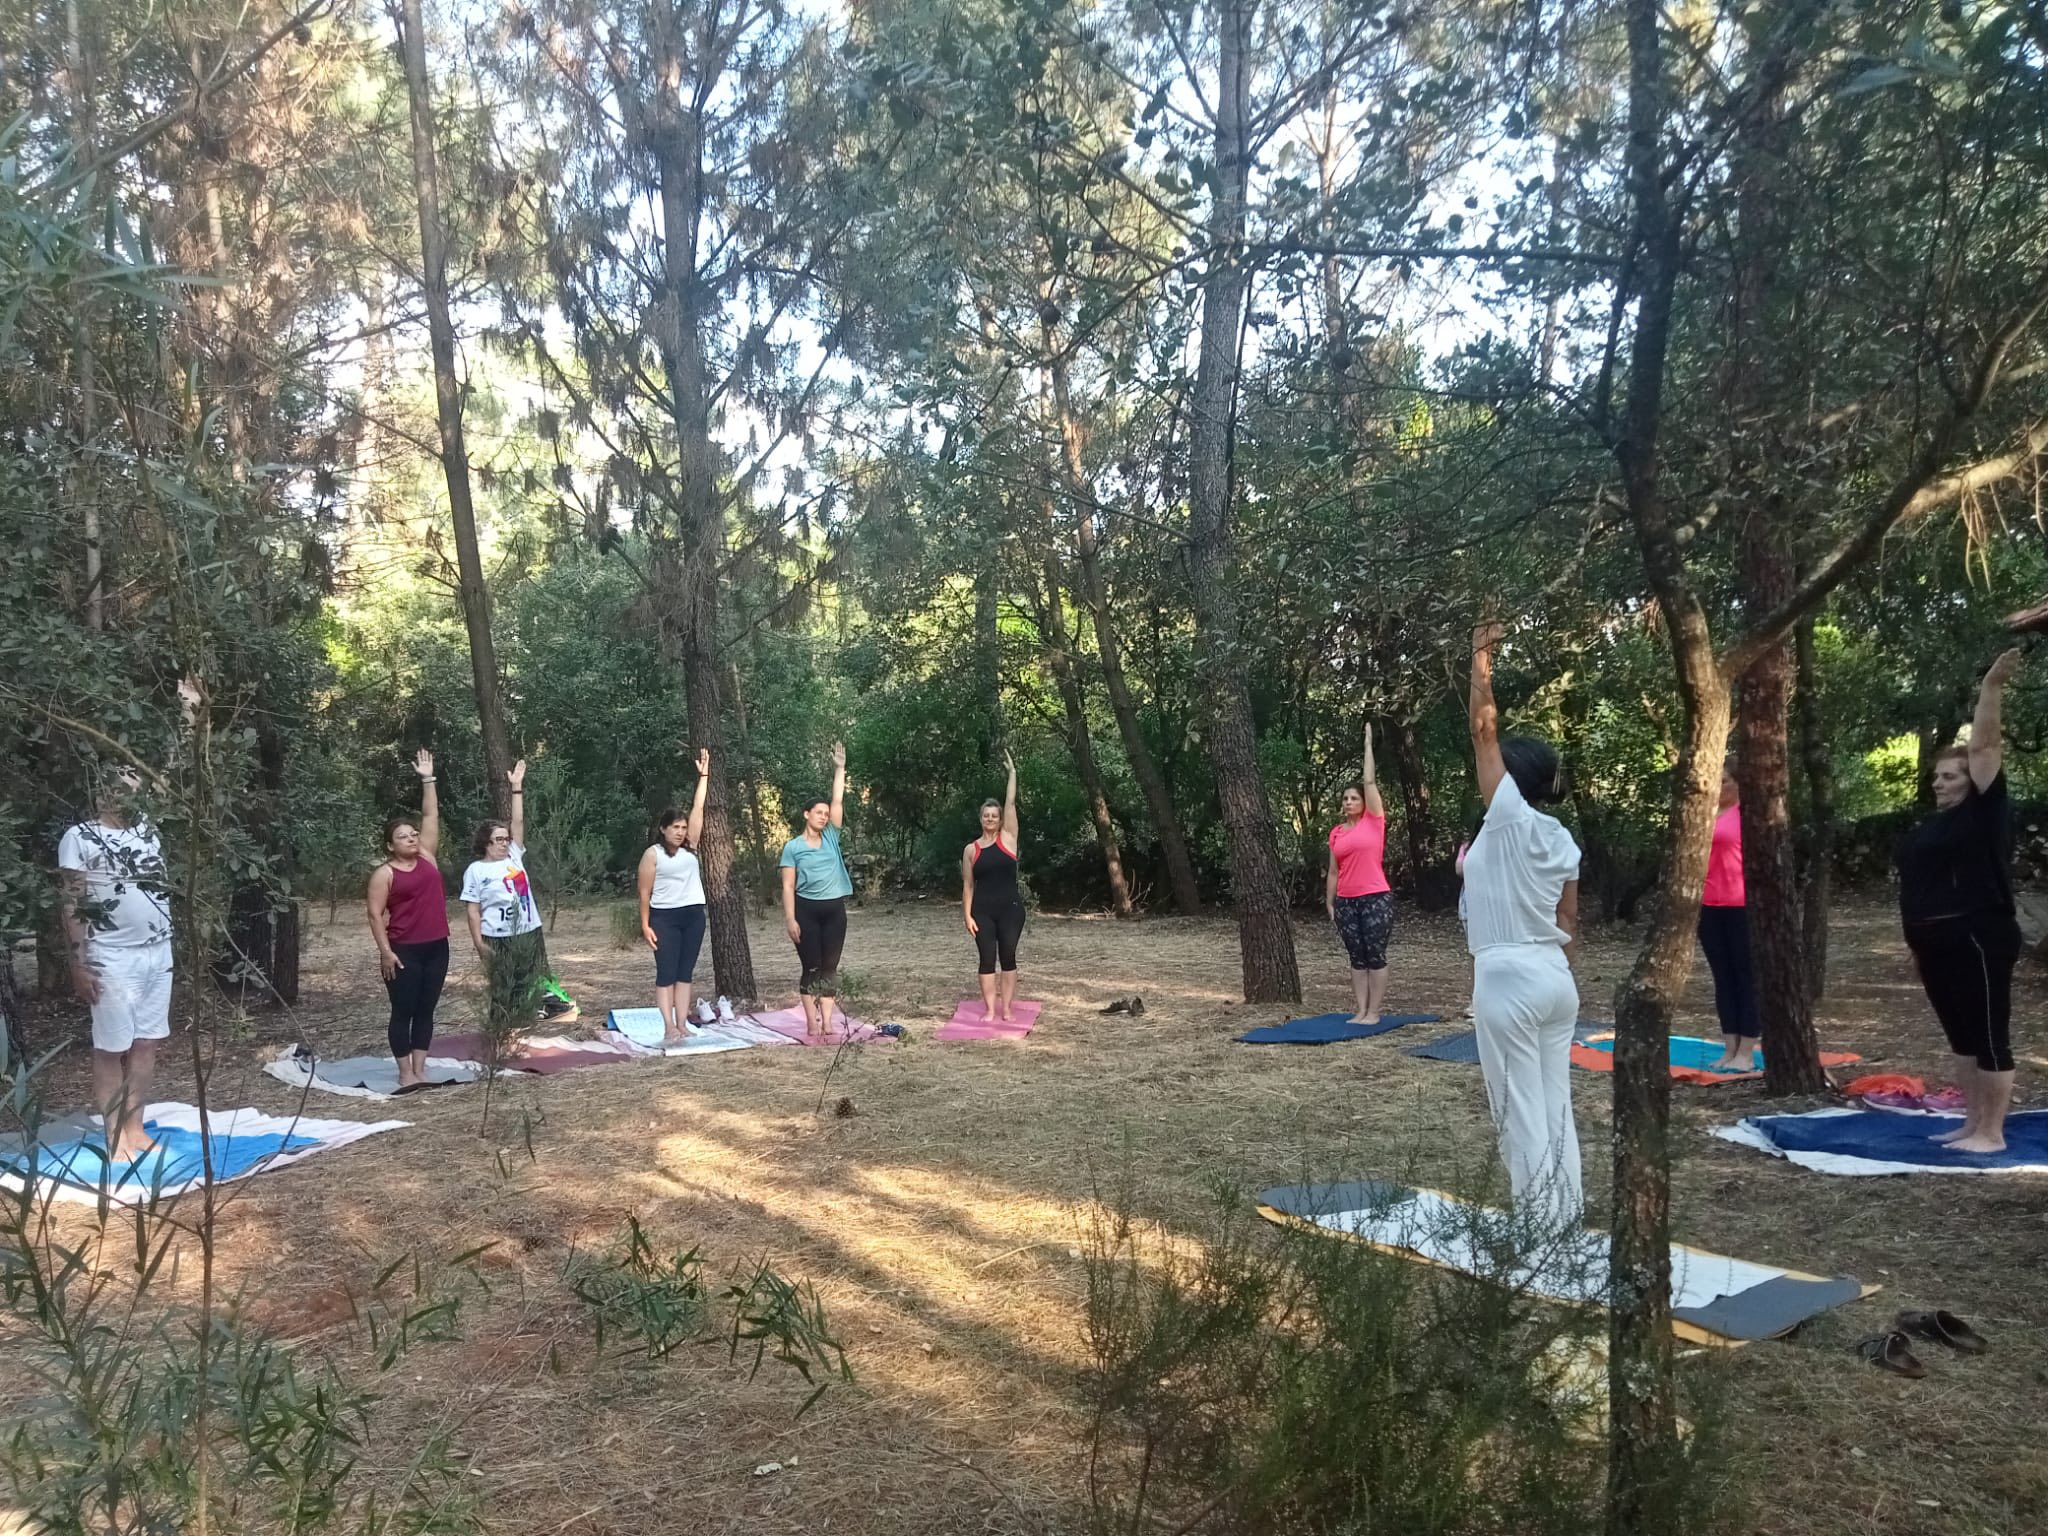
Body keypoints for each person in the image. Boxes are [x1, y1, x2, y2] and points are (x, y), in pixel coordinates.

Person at [1464, 618, 1584, 1229]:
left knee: (1519, 1110)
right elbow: (1568, 917)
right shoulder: (1560, 837)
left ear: (1512, 780)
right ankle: (1565, 1217)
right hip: (1554, 978)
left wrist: (1481, 656)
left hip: (1508, 977)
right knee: (1554, 1104)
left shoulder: (1508, 815)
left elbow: (1483, 730)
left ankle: (1539, 1230)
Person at [1898, 649, 2025, 1154]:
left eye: (1950, 776)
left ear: (1974, 781)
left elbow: (1986, 745)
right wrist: (1917, 945)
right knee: (1961, 1038)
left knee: (1988, 1035)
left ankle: (1992, 1133)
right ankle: (1971, 1125)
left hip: (1978, 936)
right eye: (1937, 776)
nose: (1939, 782)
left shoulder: (1983, 814)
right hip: (1934, 944)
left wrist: (1990, 689)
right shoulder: (1930, 827)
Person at [59, 766, 175, 1162]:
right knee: (111, 1047)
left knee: (147, 1042)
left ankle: (135, 1128)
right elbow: (72, 901)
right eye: (120, 789)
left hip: (158, 950)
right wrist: (78, 963)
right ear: (102, 794)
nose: (128, 796)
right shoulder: (80, 837)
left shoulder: (148, 832)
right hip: (111, 955)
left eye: (135, 789)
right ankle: (114, 1135)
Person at [366, 749, 449, 1092]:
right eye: (403, 836)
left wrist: (428, 779)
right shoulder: (384, 874)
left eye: (413, 834)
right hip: (404, 951)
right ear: (390, 845)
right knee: (404, 1011)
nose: (412, 838)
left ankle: (420, 1068)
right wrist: (386, 952)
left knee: (426, 1009)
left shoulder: (427, 856)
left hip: (437, 947)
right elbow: (374, 914)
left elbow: (431, 815)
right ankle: (404, 1073)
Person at [460, 760, 546, 1041]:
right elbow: (473, 911)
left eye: (506, 838)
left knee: (527, 984)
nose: (505, 843)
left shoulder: (514, 857)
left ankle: (521, 1035)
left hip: (528, 931)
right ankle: (500, 1036)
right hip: (497, 936)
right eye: (498, 839)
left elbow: (517, 822)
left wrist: (516, 788)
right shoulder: (476, 870)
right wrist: (479, 943)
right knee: (502, 987)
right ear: (486, 843)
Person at [780, 742, 853, 1039]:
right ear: (806, 814)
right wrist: (790, 919)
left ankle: (828, 1022)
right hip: (806, 911)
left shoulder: (832, 837)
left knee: (830, 968)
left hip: (834, 910)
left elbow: (838, 799)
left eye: (826, 813)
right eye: (818, 812)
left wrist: (839, 769)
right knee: (812, 967)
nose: (824, 816)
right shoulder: (793, 847)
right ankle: (811, 1023)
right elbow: (788, 885)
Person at [638, 749, 711, 1044]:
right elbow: (644, 892)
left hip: (693, 915)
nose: (680, 832)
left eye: (683, 828)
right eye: (675, 828)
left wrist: (703, 775)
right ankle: (668, 1025)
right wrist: (645, 925)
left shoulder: (691, 848)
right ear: (663, 829)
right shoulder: (652, 854)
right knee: (666, 972)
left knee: (685, 972)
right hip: (664, 918)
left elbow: (698, 808)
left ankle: (682, 1023)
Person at [1325, 722, 1393, 1024]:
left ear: (1364, 803)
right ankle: (1361, 1010)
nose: (1349, 802)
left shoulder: (1373, 822)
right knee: (1356, 956)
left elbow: (1369, 780)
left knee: (1374, 954)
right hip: (1346, 901)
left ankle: (1374, 1012)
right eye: (1345, 798)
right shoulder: (1336, 833)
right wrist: (1330, 902)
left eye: (1354, 798)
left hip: (1375, 898)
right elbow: (1333, 871)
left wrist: (1367, 745)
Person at [1698, 760, 1761, 1071]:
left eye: (1723, 780)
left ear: (1738, 783)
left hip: (1741, 906)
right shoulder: (1702, 815)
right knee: (1723, 978)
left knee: (1745, 977)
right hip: (1709, 906)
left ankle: (1746, 1052)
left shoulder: (1747, 815)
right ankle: (1730, 1048)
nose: (1717, 786)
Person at [962, 749, 1025, 1023]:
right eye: (986, 815)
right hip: (982, 912)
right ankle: (990, 1009)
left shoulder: (1008, 839)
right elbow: (968, 886)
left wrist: (1012, 774)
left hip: (1010, 909)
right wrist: (967, 915)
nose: (990, 819)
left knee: (1008, 956)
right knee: (987, 959)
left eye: (994, 816)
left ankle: (1007, 1009)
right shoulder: (971, 850)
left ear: (1000, 820)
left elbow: (1010, 803)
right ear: (981, 819)